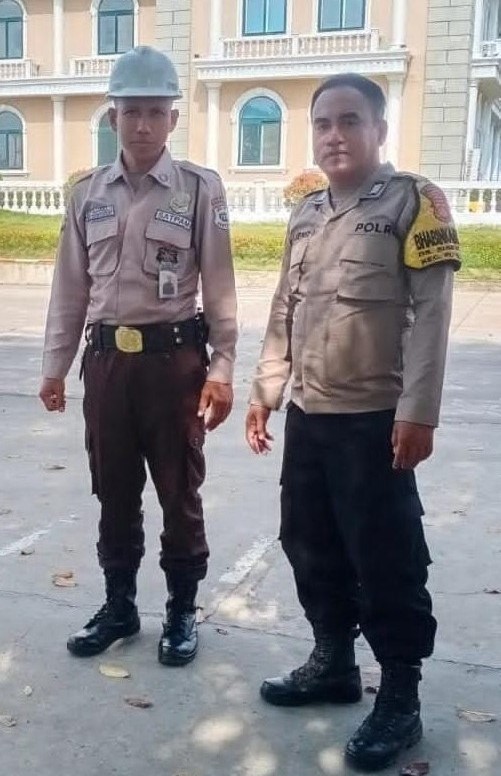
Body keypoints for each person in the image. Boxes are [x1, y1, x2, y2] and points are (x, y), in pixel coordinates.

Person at [245, 73, 460, 772]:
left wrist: (418, 412)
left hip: (374, 421)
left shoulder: (413, 202)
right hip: (309, 415)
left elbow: (432, 313)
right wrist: (265, 390)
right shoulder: (305, 213)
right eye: (322, 123)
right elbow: (284, 307)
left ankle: (399, 696)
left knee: (386, 557)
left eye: (349, 120)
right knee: (308, 543)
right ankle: (333, 661)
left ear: (378, 130)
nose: (334, 135)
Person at [39, 46, 237, 667]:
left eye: (156, 111)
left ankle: (181, 611)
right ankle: (119, 605)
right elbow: (70, 289)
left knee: (179, 491)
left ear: (173, 118)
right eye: (131, 112)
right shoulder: (86, 194)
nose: (144, 124)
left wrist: (223, 368)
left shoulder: (199, 189)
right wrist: (54, 366)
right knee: (114, 490)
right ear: (113, 117)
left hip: (174, 366)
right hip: (106, 367)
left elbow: (221, 288)